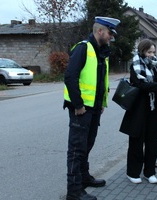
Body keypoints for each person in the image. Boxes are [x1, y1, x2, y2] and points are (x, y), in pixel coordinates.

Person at [63, 16, 120, 200]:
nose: (111, 37)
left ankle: (84, 178)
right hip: (81, 109)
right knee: (76, 150)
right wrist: (78, 105)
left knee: (87, 145)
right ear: (100, 31)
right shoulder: (83, 48)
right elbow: (70, 77)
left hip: (94, 109)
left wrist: (102, 103)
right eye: (110, 33)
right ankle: (74, 192)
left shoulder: (101, 51)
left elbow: (99, 80)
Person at [119, 39, 157, 184]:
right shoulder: (136, 66)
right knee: (136, 142)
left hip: (154, 110)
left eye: (153, 52)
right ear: (142, 51)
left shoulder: (155, 65)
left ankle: (149, 172)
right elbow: (141, 85)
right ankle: (133, 172)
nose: (152, 55)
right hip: (139, 110)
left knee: (153, 142)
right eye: (149, 52)